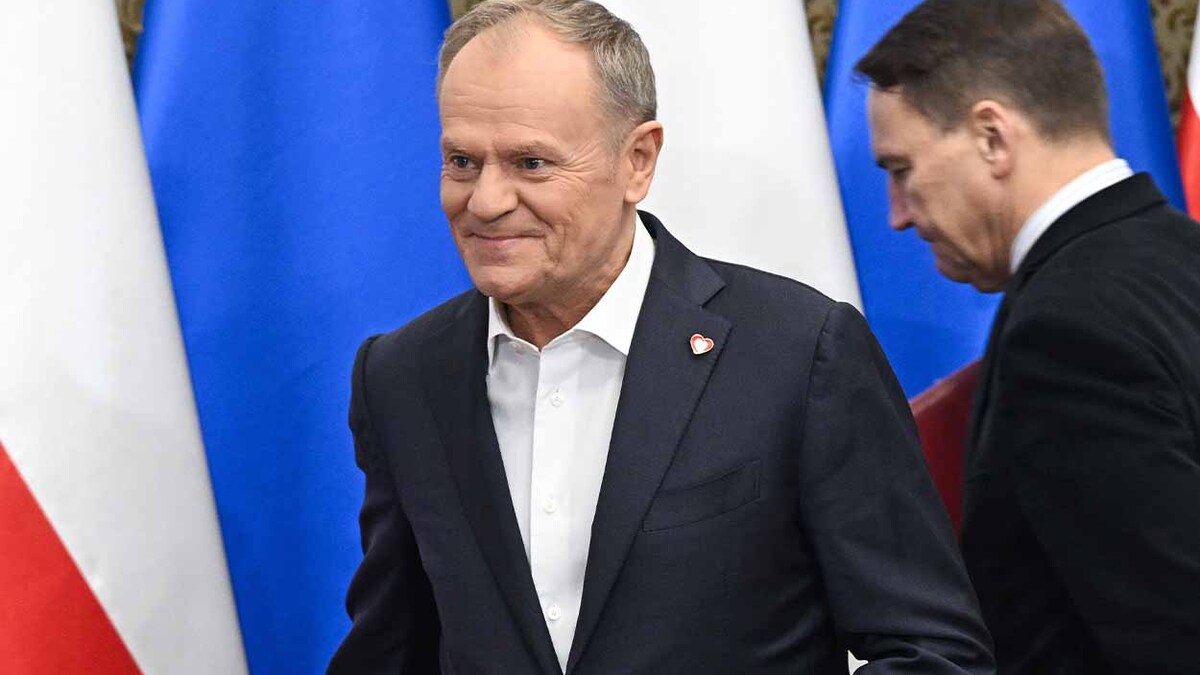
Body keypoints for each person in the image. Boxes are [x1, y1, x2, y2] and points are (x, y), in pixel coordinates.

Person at [328, 1, 994, 673]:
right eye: (463, 161)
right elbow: (390, 651)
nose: (486, 201)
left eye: (530, 163)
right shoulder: (403, 376)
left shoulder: (800, 352)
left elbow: (933, 653)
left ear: (638, 161)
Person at [858, 1, 1200, 672]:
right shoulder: (1183, 255)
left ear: (992, 136)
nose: (897, 215)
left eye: (901, 169)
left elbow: (1171, 634)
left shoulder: (1064, 331)